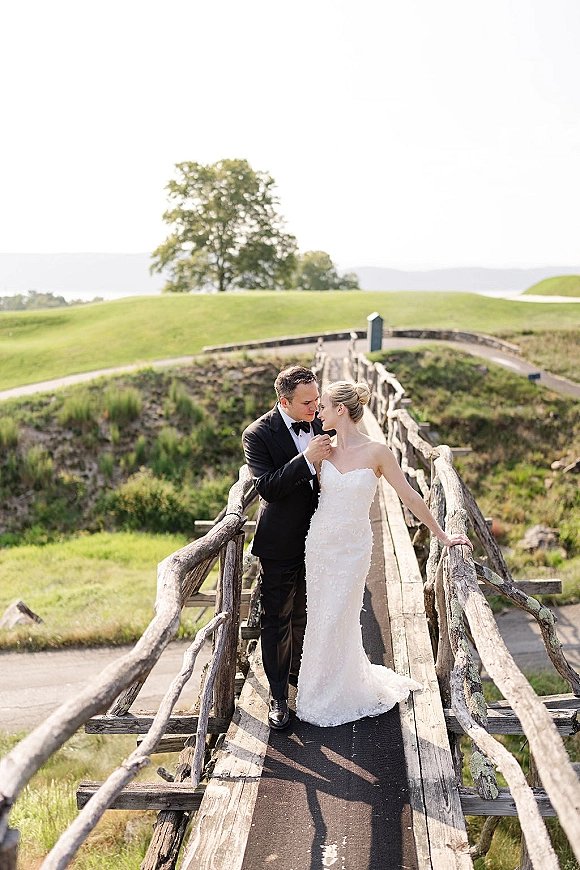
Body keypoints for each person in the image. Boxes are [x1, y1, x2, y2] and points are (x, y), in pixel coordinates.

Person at [296, 381, 472, 727]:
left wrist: (441, 534)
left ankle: (343, 689)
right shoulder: (324, 450)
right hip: (320, 543)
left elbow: (408, 496)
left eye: (325, 407)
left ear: (341, 411)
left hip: (354, 546)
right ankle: (317, 692)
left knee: (341, 614)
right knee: (320, 615)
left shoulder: (377, 452)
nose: (320, 412)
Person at [242, 365, 333, 729]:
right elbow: (267, 488)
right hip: (280, 541)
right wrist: (306, 459)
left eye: (317, 398)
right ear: (284, 401)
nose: (315, 407)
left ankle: (300, 677)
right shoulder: (258, 434)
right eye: (307, 402)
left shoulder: (321, 418)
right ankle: (278, 698)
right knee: (277, 619)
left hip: (322, 537)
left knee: (304, 614)